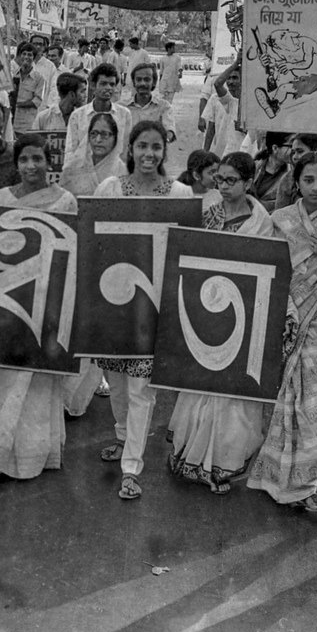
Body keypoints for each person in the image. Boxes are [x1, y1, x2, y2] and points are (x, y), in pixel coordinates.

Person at [248, 151, 317, 509]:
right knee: (282, 395)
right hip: (286, 315)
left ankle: (306, 485)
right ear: (296, 182)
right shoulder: (279, 220)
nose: (315, 187)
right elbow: (265, 267)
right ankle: (274, 478)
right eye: (308, 180)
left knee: (316, 402)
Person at [94, 119, 193, 501]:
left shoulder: (180, 193)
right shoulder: (110, 188)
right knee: (116, 381)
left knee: (141, 389)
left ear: (164, 152)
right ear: (130, 150)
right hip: (112, 302)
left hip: (154, 306)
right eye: (142, 146)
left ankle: (131, 466)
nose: (149, 154)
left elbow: (187, 249)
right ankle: (122, 437)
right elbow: (94, 240)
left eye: (156, 147)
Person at [168, 152, 274, 493]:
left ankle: (224, 461)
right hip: (206, 310)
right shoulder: (207, 214)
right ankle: (193, 453)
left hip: (242, 314)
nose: (224, 186)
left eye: (231, 181)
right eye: (220, 180)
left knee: (232, 391)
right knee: (203, 381)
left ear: (247, 182)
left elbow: (263, 270)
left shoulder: (262, 221)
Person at [0, 133, 79, 480]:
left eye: (37, 159)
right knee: (5, 376)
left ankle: (36, 456)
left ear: (48, 162)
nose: (31, 166)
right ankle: (0, 452)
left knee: (36, 382)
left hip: (46, 301)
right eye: (24, 160)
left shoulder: (65, 201)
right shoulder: (2, 198)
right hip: (9, 301)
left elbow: (71, 255)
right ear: (16, 164)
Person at [62, 62, 132, 168]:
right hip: (83, 175)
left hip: (113, 175)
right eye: (103, 84)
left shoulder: (124, 114)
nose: (108, 88)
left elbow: (125, 152)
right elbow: (70, 152)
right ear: (93, 86)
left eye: (112, 84)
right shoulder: (78, 116)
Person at [59, 111, 126, 196]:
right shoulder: (72, 170)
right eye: (93, 133)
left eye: (104, 134)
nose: (98, 140)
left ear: (115, 138)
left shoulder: (124, 173)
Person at [273, 133, 317, 209]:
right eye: (293, 152)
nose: (294, 157)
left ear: (316, 151)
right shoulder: (287, 180)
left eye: (300, 151)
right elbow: (280, 215)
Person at [202, 56, 244, 159]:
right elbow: (211, 128)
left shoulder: (249, 103)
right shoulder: (219, 99)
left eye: (235, 78)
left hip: (243, 152)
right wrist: (205, 153)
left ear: (242, 80)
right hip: (221, 153)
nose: (230, 82)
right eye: (228, 78)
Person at [127, 61, 175, 140]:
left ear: (154, 82)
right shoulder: (122, 107)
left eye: (147, 79)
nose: (142, 83)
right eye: (138, 79)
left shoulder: (164, 107)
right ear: (134, 83)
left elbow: (169, 131)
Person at [250, 133, 292, 214]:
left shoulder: (290, 176)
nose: (293, 150)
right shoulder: (252, 167)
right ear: (275, 148)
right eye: (290, 146)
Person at [12, 41, 45, 132]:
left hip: (27, 124)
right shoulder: (13, 75)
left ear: (33, 58)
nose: (26, 57)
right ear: (20, 56)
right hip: (12, 122)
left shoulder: (39, 78)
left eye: (29, 55)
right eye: (24, 54)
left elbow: (37, 101)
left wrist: (17, 105)